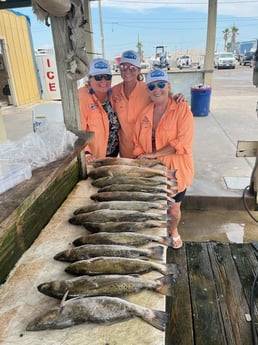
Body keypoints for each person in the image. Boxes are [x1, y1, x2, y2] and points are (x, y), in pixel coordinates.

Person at [133, 69, 194, 249]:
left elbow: (182, 143)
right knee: (155, 206)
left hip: (177, 170)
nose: (157, 90)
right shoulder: (145, 113)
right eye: (152, 86)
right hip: (152, 170)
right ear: (147, 90)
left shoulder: (182, 108)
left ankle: (173, 231)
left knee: (174, 209)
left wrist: (153, 155)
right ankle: (156, 234)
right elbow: (137, 141)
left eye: (161, 84)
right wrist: (140, 157)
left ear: (168, 85)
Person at [112, 49, 186, 158]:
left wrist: (176, 98)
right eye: (124, 67)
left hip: (147, 150)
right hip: (125, 150)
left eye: (132, 68)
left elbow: (164, 100)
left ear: (139, 70)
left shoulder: (148, 89)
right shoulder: (113, 92)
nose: (127, 71)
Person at [79, 58, 120, 164]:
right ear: (90, 78)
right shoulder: (82, 97)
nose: (103, 81)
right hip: (93, 158)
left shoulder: (112, 95)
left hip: (113, 154)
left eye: (107, 77)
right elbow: (77, 131)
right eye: (98, 77)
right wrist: (86, 152)